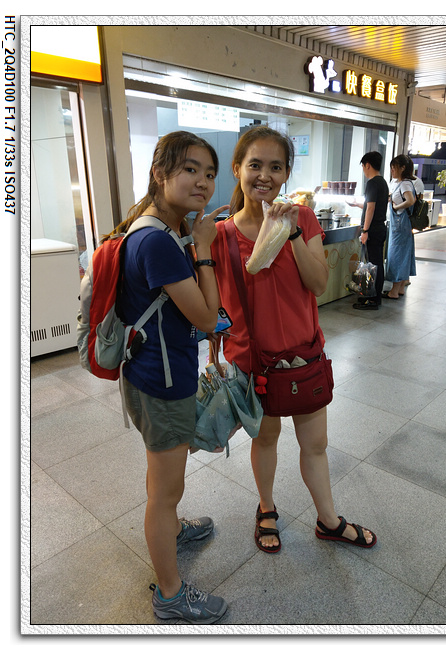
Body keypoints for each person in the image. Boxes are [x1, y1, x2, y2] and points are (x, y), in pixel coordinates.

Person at [211, 126, 377, 553]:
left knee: (315, 445)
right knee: (265, 439)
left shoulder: (302, 219)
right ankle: (266, 508)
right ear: (237, 168)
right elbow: (212, 306)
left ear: (286, 173)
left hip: (304, 357)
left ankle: (328, 520)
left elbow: (318, 283)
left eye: (275, 167)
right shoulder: (221, 235)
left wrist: (293, 232)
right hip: (256, 363)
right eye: (255, 165)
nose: (264, 175)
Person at [107, 131, 229, 623]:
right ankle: (171, 595)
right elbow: (207, 317)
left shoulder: (152, 226)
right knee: (165, 493)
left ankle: (173, 529)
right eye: (190, 169)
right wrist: (204, 249)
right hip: (161, 382)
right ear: (160, 173)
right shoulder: (158, 240)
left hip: (148, 373)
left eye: (209, 173)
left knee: (162, 476)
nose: (203, 182)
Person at [347, 151, 389, 310]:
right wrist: (357, 205)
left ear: (368, 165)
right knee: (377, 264)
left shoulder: (372, 183)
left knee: (373, 266)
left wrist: (365, 231)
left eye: (363, 166)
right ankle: (374, 297)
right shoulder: (382, 182)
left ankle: (373, 299)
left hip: (372, 230)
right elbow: (372, 206)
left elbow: (371, 208)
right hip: (380, 228)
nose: (364, 170)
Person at [384, 154, 417, 300]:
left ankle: (394, 291)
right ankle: (400, 288)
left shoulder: (404, 184)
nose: (392, 170)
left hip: (400, 224)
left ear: (402, 168)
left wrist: (396, 207)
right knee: (403, 254)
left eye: (394, 167)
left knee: (396, 255)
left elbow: (410, 201)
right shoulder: (403, 183)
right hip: (403, 224)